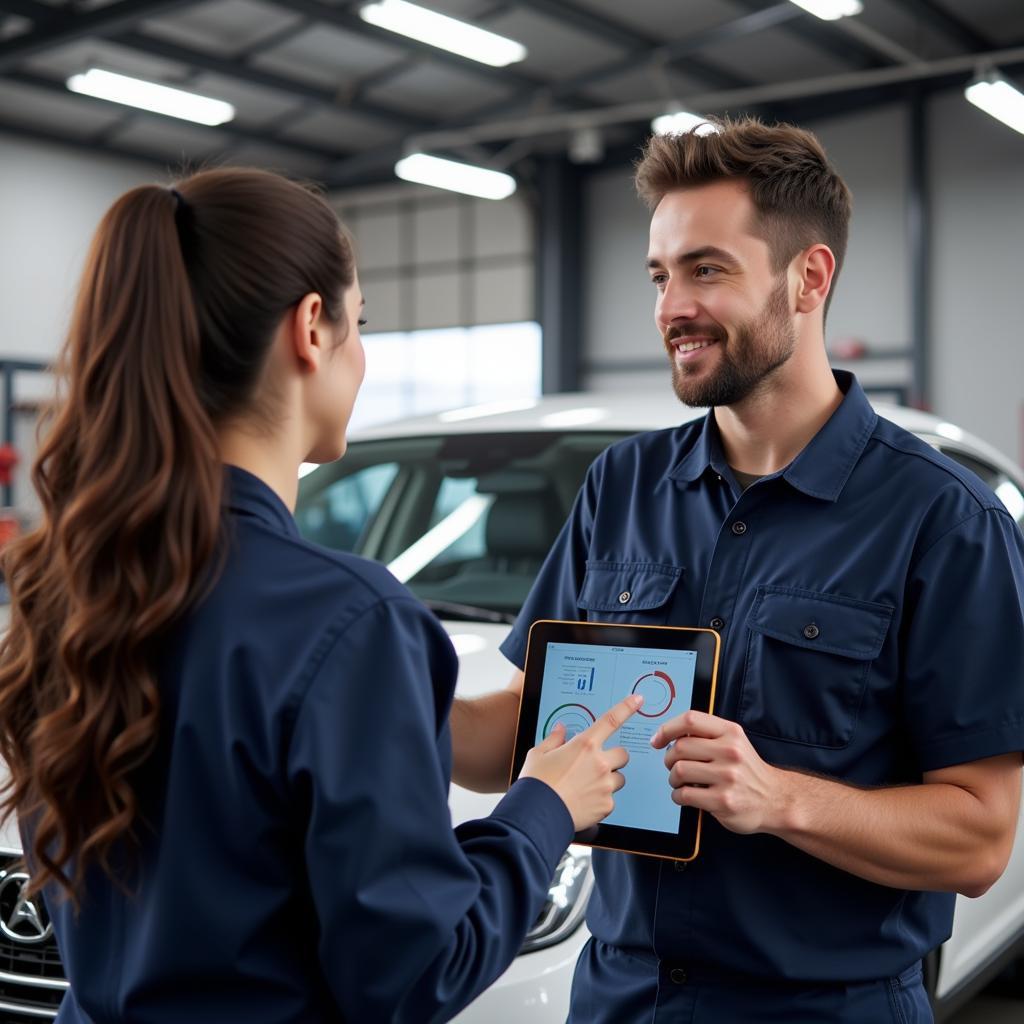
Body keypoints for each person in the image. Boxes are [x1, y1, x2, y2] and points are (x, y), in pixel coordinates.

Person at [0, 167, 644, 1024]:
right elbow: (417, 973)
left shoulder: (71, 592)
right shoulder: (351, 619)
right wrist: (544, 809)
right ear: (312, 327)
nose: (362, 351)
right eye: (361, 322)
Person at [451, 117, 1024, 1022]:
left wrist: (780, 797)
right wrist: (370, 695)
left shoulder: (944, 521)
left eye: (705, 269)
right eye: (660, 274)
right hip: (619, 998)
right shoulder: (622, 487)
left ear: (810, 277)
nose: (670, 306)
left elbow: (981, 836)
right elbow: (521, 731)